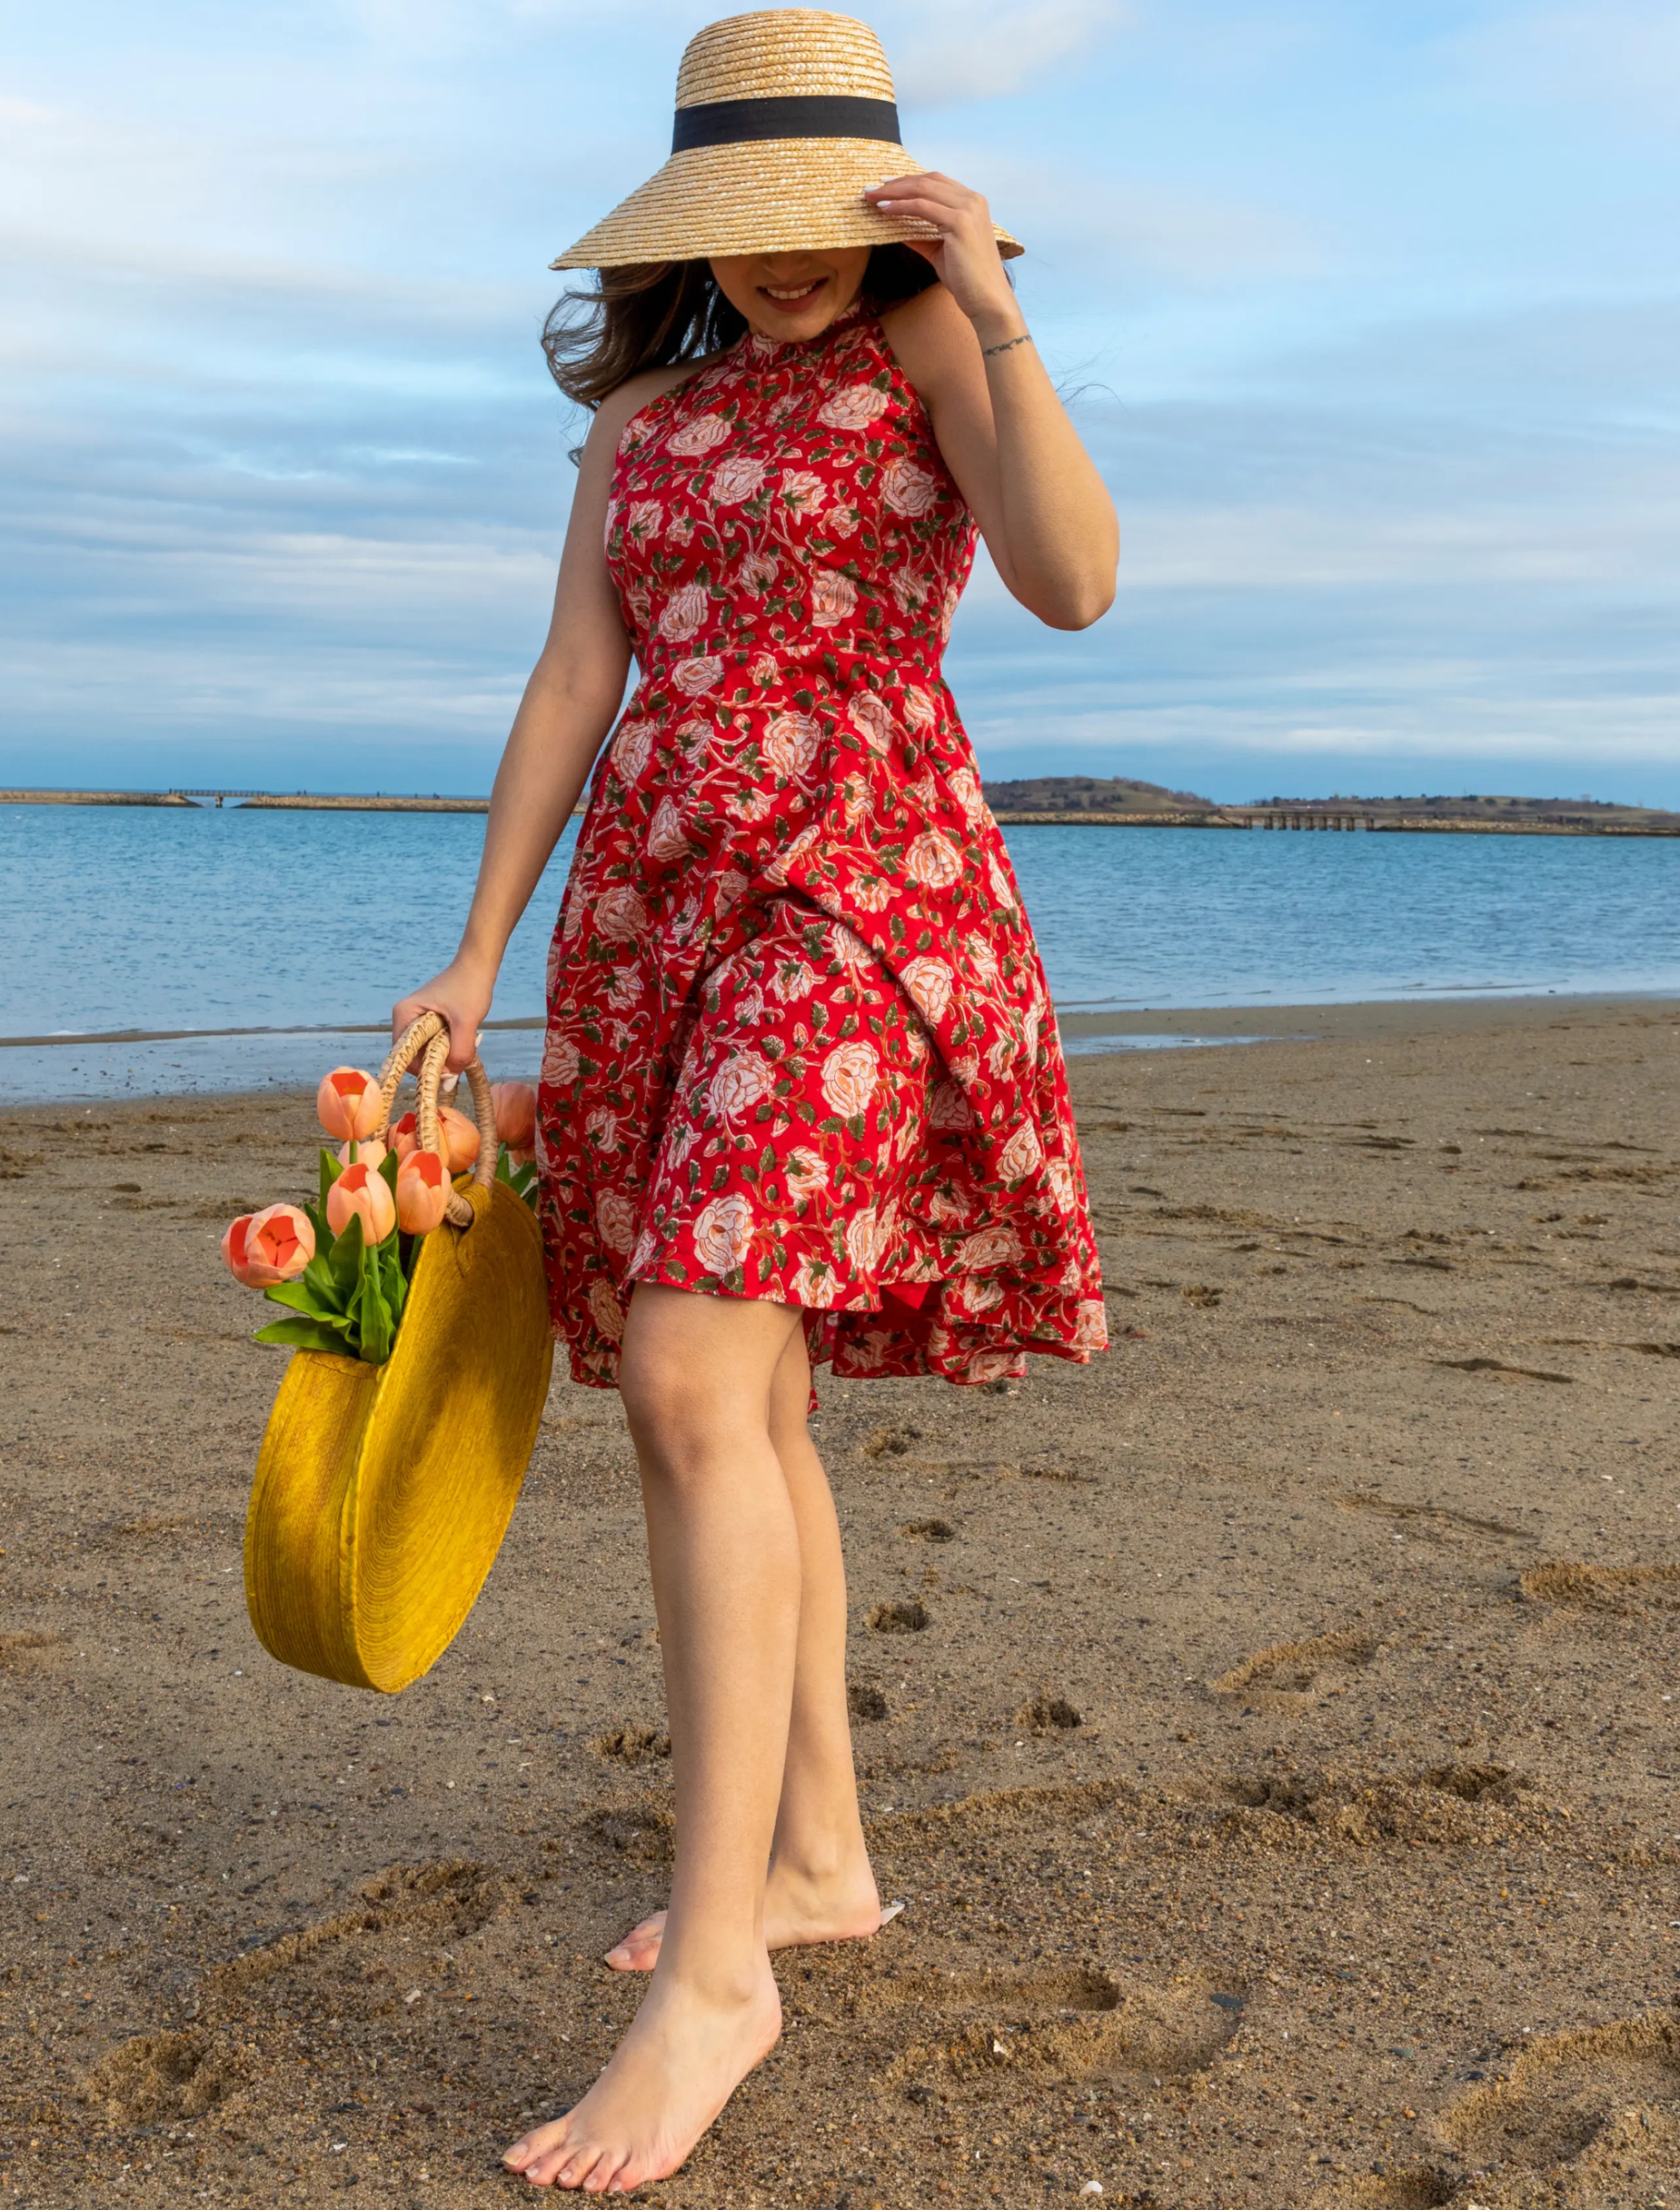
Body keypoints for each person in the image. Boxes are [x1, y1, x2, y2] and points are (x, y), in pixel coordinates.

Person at [393, 7, 1118, 2192]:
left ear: (879, 209)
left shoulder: (924, 358)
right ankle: (811, 1856)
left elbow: (1074, 582)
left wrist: (988, 309)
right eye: (749, 227)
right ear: (685, 233)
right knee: (736, 1403)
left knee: (696, 1369)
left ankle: (720, 1978)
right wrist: (478, 948)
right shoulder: (645, 420)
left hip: (867, 892)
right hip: (654, 911)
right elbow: (575, 678)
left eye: (824, 222)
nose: (790, 264)